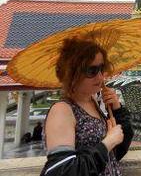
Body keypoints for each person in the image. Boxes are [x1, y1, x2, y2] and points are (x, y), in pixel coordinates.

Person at [41, 38, 133, 176]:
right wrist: (108, 142)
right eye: (92, 71)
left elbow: (115, 154)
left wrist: (117, 109)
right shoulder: (62, 111)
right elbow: (62, 171)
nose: (100, 77)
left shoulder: (93, 102)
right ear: (72, 73)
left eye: (102, 69)